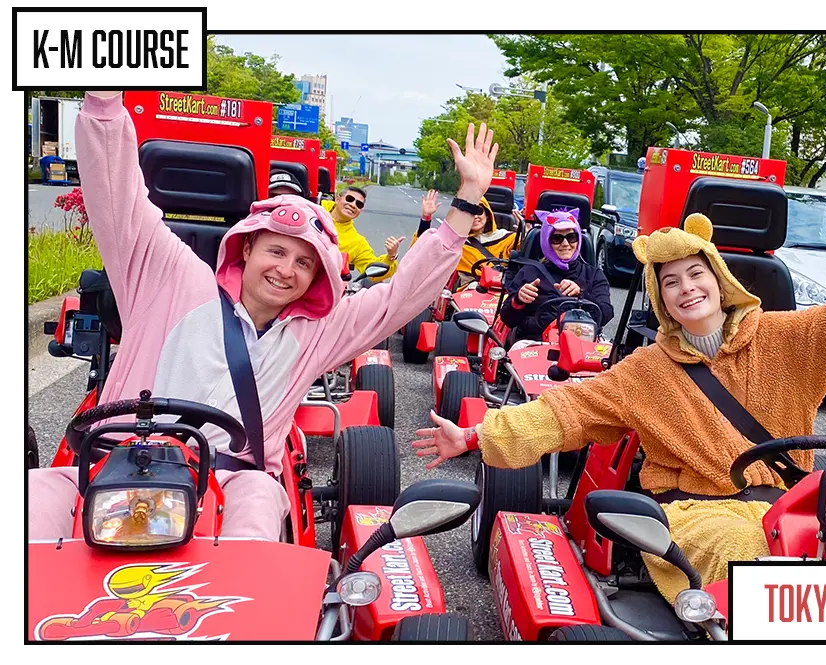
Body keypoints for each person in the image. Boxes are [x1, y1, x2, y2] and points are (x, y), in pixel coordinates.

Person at [27, 90, 500, 543]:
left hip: (230, 482)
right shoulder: (170, 277)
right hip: (115, 461)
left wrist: (465, 202)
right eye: (276, 251)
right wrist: (105, 101)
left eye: (304, 262)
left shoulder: (320, 331)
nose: (286, 270)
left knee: (259, 504)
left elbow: (401, 297)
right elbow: (118, 199)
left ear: (317, 276)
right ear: (247, 246)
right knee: (35, 495)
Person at [412, 212, 826, 607]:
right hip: (699, 513)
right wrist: (476, 435)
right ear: (660, 299)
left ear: (720, 280)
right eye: (671, 282)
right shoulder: (645, 371)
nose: (687, 289)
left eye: (696, 274)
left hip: (791, 507)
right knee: (753, 561)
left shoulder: (787, 338)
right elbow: (566, 410)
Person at [499, 208, 613, 350]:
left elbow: (606, 314)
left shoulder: (594, 275)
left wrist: (582, 294)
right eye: (557, 238)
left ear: (579, 239)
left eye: (571, 237)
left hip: (583, 345)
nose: (565, 244)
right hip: (535, 344)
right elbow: (508, 320)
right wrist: (518, 300)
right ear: (547, 242)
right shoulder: (529, 273)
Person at [410, 190, 517, 288]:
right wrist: (426, 218)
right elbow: (421, 253)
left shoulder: (509, 238)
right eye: (470, 213)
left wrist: (526, 232)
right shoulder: (454, 242)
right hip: (467, 293)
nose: (475, 216)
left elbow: (525, 255)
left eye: (479, 211)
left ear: (488, 214)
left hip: (502, 293)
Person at [321, 186, 404, 283]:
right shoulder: (312, 209)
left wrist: (391, 256)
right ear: (337, 199)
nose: (353, 205)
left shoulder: (356, 241)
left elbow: (373, 272)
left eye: (359, 204)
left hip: (324, 286)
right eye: (349, 199)